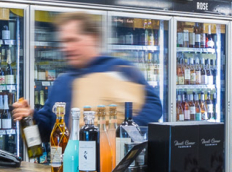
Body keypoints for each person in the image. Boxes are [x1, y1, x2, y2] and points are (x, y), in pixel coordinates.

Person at [10, 12, 163, 145]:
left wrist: (120, 130)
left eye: (73, 40)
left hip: (112, 164)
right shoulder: (62, 83)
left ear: (93, 38)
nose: (67, 48)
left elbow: (154, 107)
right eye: (63, 42)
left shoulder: (120, 69)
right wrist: (31, 117)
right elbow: (47, 131)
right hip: (70, 166)